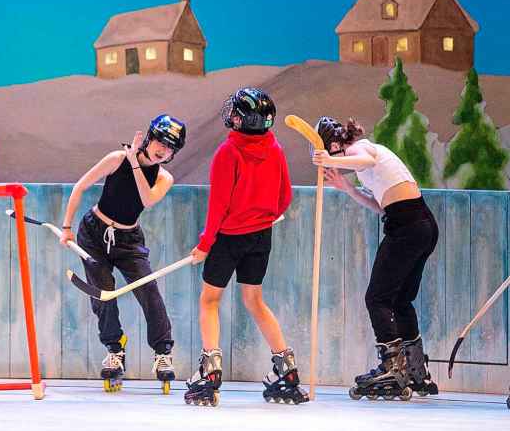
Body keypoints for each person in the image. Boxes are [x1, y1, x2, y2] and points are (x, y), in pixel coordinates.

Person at [185, 87, 307, 406]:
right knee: (254, 300)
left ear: (242, 120)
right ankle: (287, 370)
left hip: (228, 238)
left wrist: (205, 244)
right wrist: (262, 218)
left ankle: (210, 372)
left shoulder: (228, 153)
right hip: (261, 237)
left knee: (209, 300)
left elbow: (218, 206)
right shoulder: (275, 149)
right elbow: (285, 197)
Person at [314, 116, 439, 400]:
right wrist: (347, 188)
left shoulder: (362, 148)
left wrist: (329, 160)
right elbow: (382, 207)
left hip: (408, 227)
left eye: (325, 152)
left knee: (377, 298)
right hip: (420, 224)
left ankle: (392, 367)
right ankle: (416, 371)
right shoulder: (364, 161)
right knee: (400, 300)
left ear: (333, 145)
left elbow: (365, 160)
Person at [59, 115, 185, 392]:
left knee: (149, 291)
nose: (163, 150)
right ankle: (115, 348)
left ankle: (162, 352)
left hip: (128, 241)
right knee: (102, 294)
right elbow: (81, 186)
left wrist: (135, 163)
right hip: (93, 233)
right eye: (161, 142)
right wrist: (66, 227)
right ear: (150, 138)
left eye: (170, 147)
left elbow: (146, 199)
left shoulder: (164, 177)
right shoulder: (116, 158)